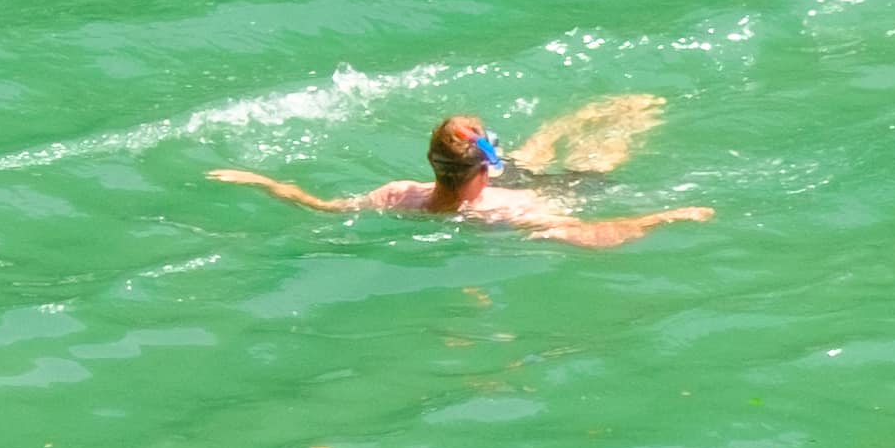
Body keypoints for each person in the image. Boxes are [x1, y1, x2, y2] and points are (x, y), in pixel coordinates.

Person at [211, 112, 713, 252]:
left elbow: (318, 205)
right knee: (600, 162)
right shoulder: (508, 211)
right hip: (540, 187)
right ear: (482, 169)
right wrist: (663, 216)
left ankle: (582, 122)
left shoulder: (397, 196)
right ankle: (617, 115)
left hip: (505, 179)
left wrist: (258, 180)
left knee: (542, 155)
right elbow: (590, 236)